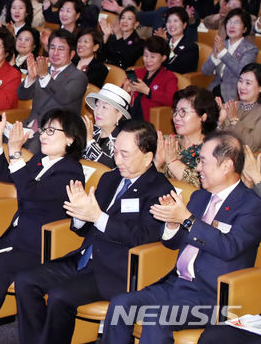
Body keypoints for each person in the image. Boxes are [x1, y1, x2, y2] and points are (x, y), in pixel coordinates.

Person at [14, 120, 173, 343]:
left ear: (147, 157)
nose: (117, 160)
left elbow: (143, 236)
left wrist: (98, 216)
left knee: (60, 297)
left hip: (115, 270)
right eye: (116, 152)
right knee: (25, 281)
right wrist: (80, 214)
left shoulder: (160, 189)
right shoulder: (110, 178)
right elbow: (87, 225)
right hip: (83, 258)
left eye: (125, 155)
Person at [102, 132, 261, 343]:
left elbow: (229, 247)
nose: (197, 169)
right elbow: (172, 244)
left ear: (226, 165)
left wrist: (187, 219)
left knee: (156, 317)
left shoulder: (251, 205)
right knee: (120, 305)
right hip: (176, 285)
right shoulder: (199, 196)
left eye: (203, 162)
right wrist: (172, 224)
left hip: (213, 299)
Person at [0, 106, 85, 343]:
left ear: (70, 139)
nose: (43, 136)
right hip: (18, 238)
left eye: (51, 131)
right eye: (44, 130)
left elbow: (30, 191)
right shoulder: (40, 160)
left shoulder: (71, 170)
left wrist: (16, 151)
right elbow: (3, 175)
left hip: (42, 246)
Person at [17, 30, 88, 144]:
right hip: (29, 128)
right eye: (52, 48)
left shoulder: (78, 77)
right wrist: (31, 77)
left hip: (55, 134)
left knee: (27, 149)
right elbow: (22, 95)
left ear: (72, 54)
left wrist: (44, 75)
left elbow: (64, 97)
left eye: (61, 49)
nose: (55, 53)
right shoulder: (43, 70)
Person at [155, 87, 220, 188]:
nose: (176, 117)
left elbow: (204, 187)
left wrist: (173, 162)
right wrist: (156, 163)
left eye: (183, 112)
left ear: (203, 117)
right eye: (176, 111)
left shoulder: (213, 150)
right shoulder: (166, 142)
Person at [201, 9, 259, 102]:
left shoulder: (250, 49)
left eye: (236, 23)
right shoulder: (221, 44)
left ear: (244, 29)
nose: (231, 26)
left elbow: (241, 72)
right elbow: (205, 71)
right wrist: (215, 57)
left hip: (234, 93)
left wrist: (223, 52)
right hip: (213, 90)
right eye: (229, 22)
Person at [82, 84, 132, 168]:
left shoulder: (123, 140)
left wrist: (90, 142)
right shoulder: (92, 130)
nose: (98, 111)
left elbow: (112, 168)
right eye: (97, 105)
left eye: (104, 107)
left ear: (119, 115)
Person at [217, 63, 261, 152]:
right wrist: (220, 122)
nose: (242, 86)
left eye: (248, 83)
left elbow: (252, 148)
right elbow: (217, 140)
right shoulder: (233, 105)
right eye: (240, 81)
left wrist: (234, 120)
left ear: (260, 88)